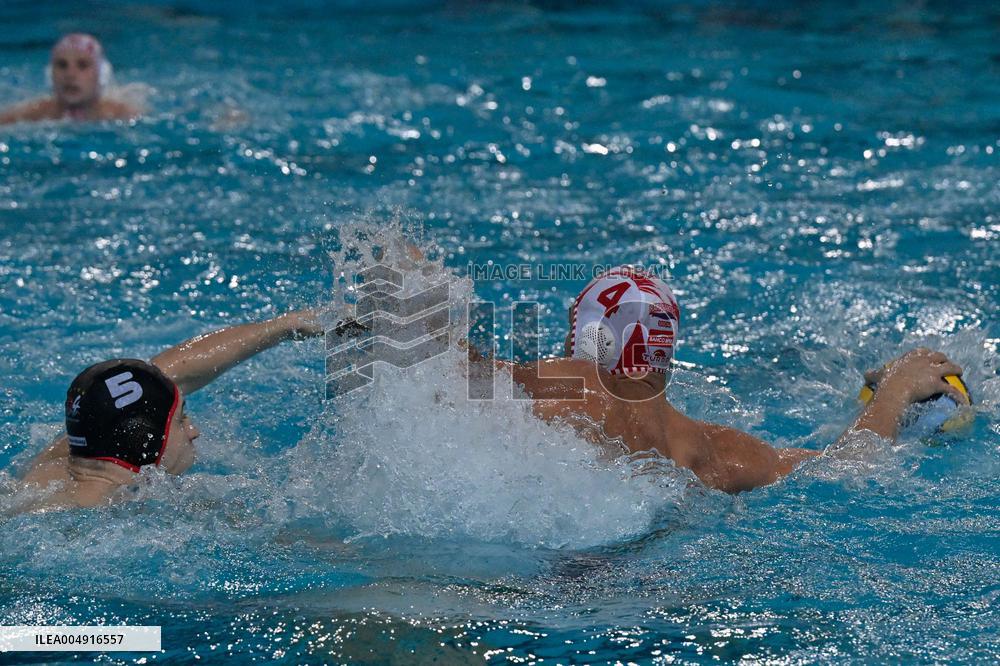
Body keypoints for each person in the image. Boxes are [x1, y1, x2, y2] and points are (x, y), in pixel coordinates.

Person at [474, 266, 968, 493]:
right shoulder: (712, 450)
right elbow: (845, 466)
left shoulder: (571, 386)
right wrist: (896, 392)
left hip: (552, 590)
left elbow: (448, 372)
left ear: (590, 341)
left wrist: (413, 278)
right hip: (654, 587)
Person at [16, 310, 327, 511]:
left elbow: (168, 371)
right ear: (145, 441)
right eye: (180, 420)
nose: (194, 430)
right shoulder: (120, 514)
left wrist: (288, 325)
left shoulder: (75, 448)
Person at [0, 33, 139, 125]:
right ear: (50, 74)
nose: (70, 74)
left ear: (101, 74)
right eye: (62, 65)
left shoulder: (123, 115)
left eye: (82, 65)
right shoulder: (33, 114)